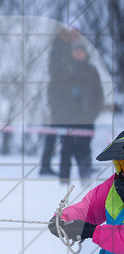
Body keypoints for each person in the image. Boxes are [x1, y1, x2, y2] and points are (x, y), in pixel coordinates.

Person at [48, 38, 103, 184]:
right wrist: (58, 112)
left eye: (81, 51)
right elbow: (53, 93)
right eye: (76, 51)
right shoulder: (64, 70)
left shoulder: (92, 71)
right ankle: (63, 184)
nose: (78, 54)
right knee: (65, 151)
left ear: (85, 53)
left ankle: (86, 182)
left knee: (84, 151)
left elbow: (99, 96)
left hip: (86, 120)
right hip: (66, 119)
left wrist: (92, 114)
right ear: (71, 53)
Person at [38, 27, 78, 176]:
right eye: (75, 31)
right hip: (59, 97)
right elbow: (58, 72)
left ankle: (52, 166)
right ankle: (48, 166)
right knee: (58, 131)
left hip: (62, 97)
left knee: (59, 132)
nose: (77, 35)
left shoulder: (65, 45)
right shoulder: (60, 46)